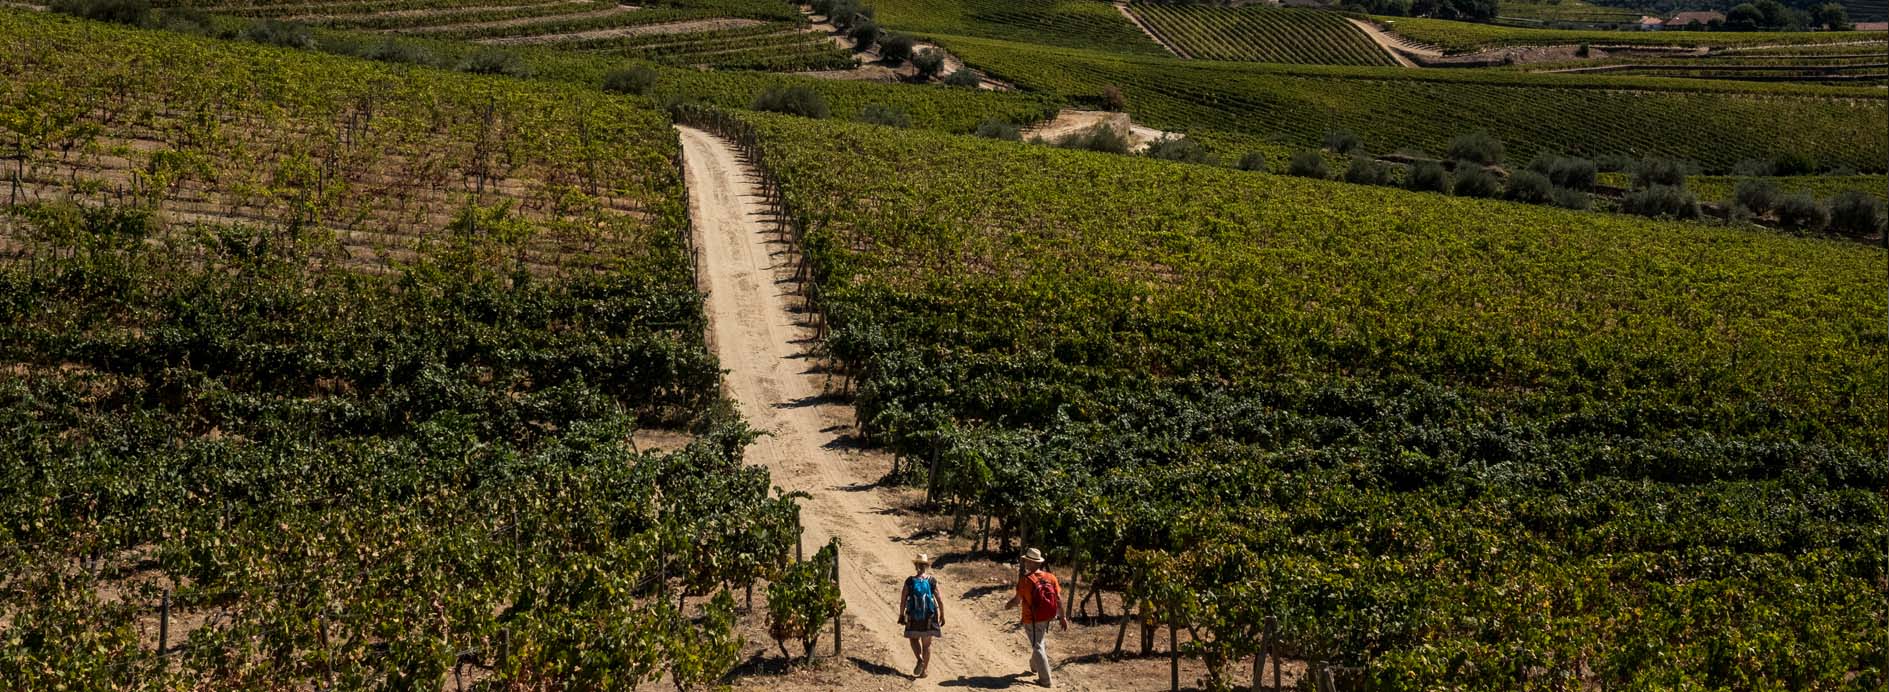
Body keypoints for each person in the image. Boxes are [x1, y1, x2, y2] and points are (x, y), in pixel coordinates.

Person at [1004, 547, 1067, 688]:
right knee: (1039, 641)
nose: (1025, 563)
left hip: (1031, 618)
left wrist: (1007, 606)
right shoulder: (1051, 578)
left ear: (1029, 563)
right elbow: (1058, 600)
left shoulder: (1025, 581)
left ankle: (1045, 680)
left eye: (1026, 561)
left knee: (1037, 645)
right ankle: (1034, 665)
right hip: (1047, 616)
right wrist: (1062, 617)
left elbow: (1017, 600)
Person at [898, 553, 944, 678]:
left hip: (913, 616)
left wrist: (901, 615)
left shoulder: (910, 581)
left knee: (913, 638)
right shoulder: (931, 581)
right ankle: (924, 671)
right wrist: (942, 615)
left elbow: (903, 599)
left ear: (916, 565)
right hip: (929, 616)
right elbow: (939, 599)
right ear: (926, 566)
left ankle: (919, 659)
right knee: (927, 644)